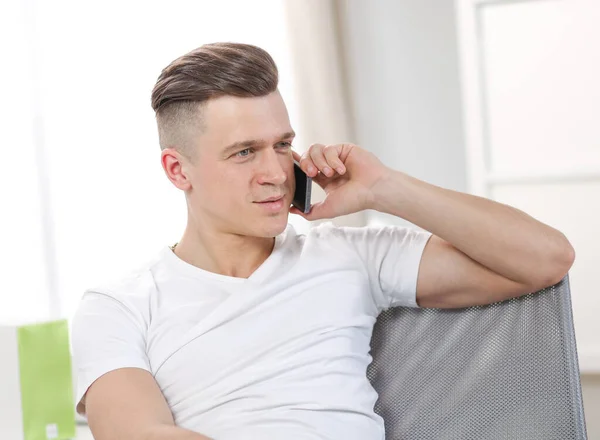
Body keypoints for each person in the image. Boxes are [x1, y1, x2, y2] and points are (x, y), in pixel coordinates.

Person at [72, 42, 575, 440]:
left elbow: (546, 258)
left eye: (282, 145)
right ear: (178, 169)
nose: (275, 173)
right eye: (244, 152)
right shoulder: (119, 306)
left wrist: (384, 188)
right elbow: (139, 433)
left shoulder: (351, 255)